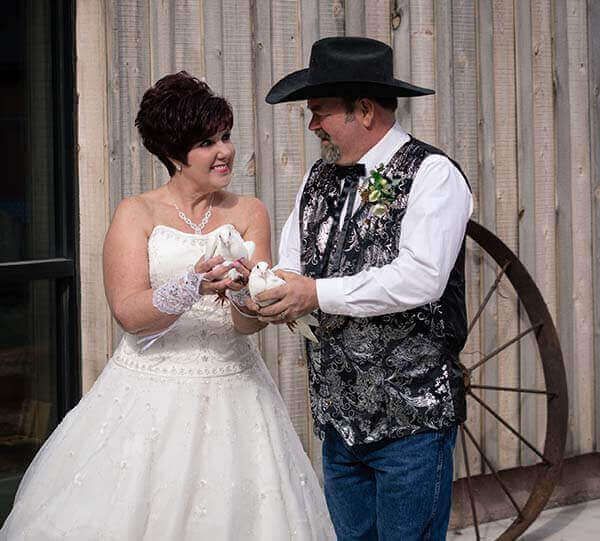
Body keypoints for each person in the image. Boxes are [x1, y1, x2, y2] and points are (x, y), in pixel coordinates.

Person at [0, 71, 334, 540]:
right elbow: (129, 313)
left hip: (234, 387)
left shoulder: (249, 211)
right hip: (147, 391)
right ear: (174, 154)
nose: (225, 151)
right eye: (207, 142)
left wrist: (244, 292)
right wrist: (191, 286)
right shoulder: (135, 213)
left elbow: (246, 325)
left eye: (226, 137)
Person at [254, 37, 474, 540]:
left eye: (320, 112)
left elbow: (420, 277)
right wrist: (263, 291)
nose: (312, 126)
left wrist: (315, 294)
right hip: (338, 422)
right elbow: (294, 265)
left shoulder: (432, 175)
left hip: (411, 424)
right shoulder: (318, 178)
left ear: (366, 111)